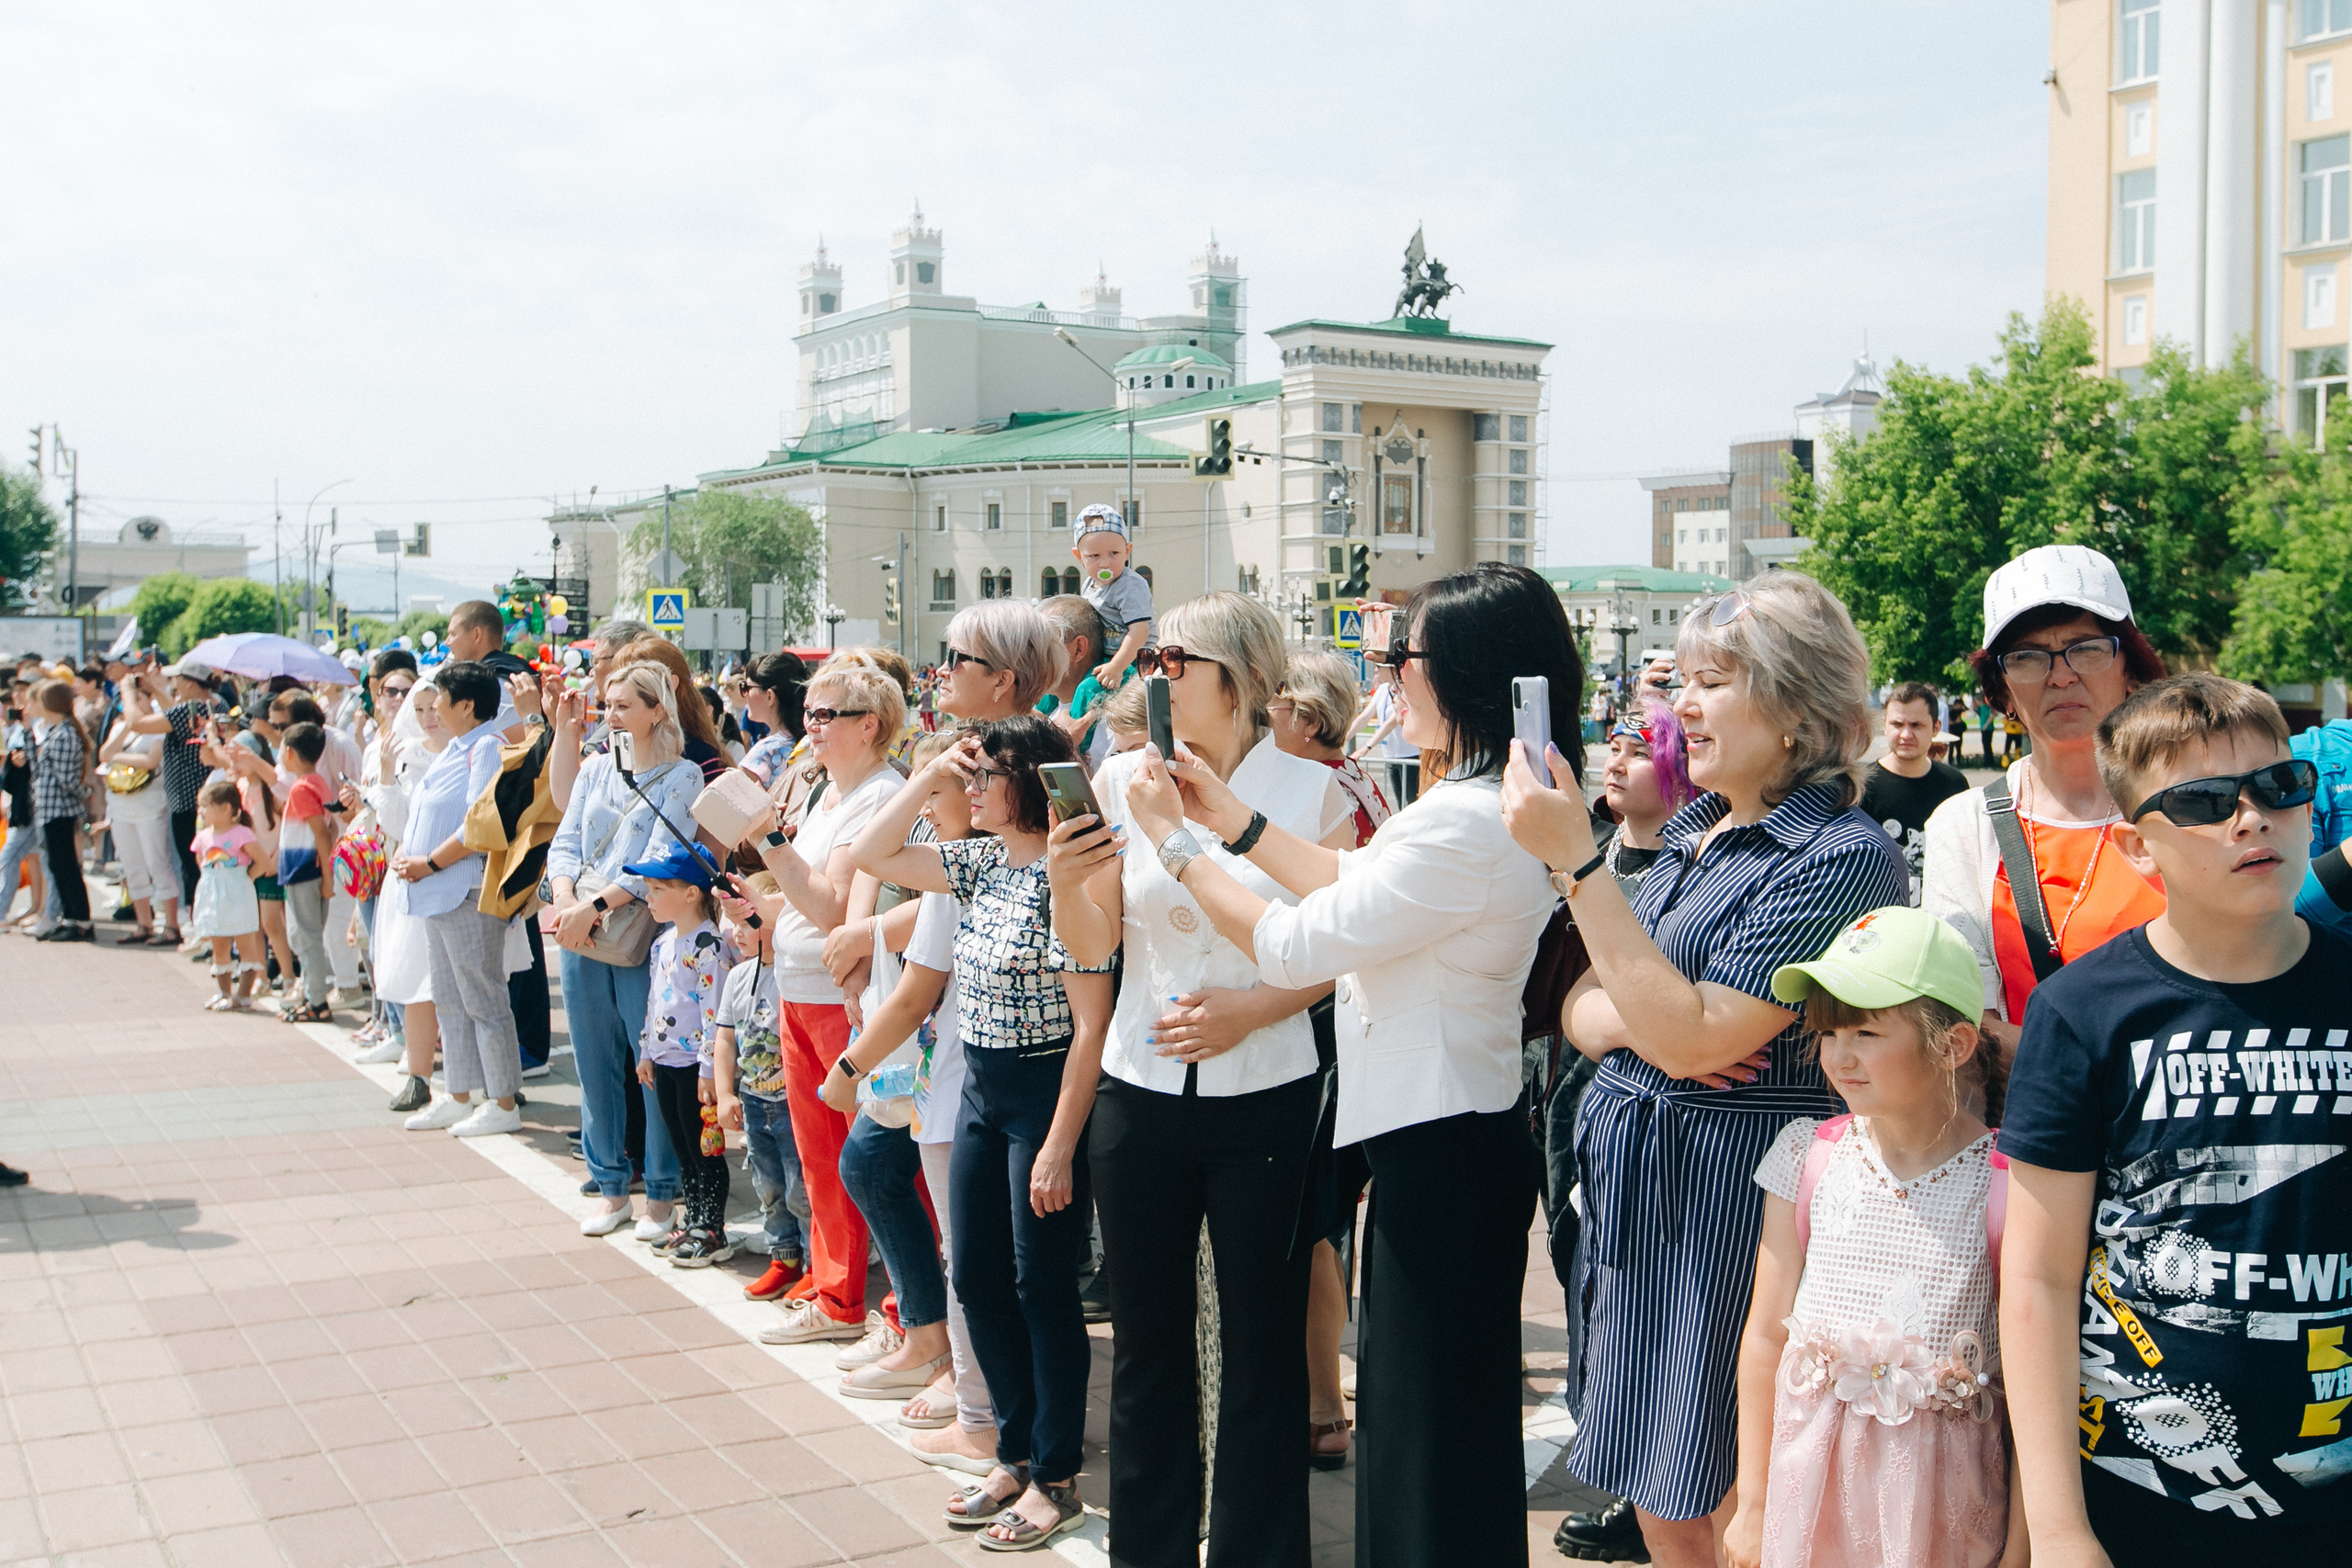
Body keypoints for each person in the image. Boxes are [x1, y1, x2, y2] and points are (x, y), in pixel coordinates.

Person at [1116, 564, 1577, 1566]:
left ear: (1464, 673)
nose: (1384, 684)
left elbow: (1295, 946)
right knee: (1429, 1436)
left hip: (1445, 1146)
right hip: (1445, 1139)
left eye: (1397, 660)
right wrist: (1224, 820)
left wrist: (1173, 842)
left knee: (1427, 1449)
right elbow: (1348, 879)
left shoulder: (1465, 818)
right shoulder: (1471, 800)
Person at [1499, 571, 1908, 1568]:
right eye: (1680, 681)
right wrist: (1651, 1023)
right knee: (1655, 1485)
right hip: (1648, 1187)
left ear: (1799, 701)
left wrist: (1582, 872)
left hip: (1739, 1197)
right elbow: (1581, 1005)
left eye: (1712, 682)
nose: (1678, 707)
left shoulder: (1836, 853)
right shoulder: (1695, 831)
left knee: (1734, 1492)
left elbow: (1688, 1037)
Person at [2001, 673, 2351, 1563]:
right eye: (2201, 801)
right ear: (2134, 844)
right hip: (2137, 1499)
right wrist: (2056, 1529)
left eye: (2278, 788)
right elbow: (2038, 1280)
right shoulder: (2081, 1010)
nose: (2249, 819)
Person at [1046, 593, 1351, 1558]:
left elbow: (1343, 946)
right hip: (1138, 1088)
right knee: (1146, 1345)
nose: (1154, 672)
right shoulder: (1121, 780)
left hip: (1266, 1085)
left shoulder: (1311, 795)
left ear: (1243, 676)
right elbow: (1095, 946)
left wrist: (1257, 1006)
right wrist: (1065, 882)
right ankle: (1150, 1548)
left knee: (1261, 1347)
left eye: (1175, 658)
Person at [847, 715, 1113, 1553]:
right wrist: (931, 778)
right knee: (979, 1281)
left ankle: (1057, 1475)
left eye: (984, 773)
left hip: (1044, 1090)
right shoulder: (980, 861)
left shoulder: (1074, 871)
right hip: (981, 1093)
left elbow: (1090, 1025)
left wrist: (1063, 1140)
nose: (970, 788)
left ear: (1029, 780)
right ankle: (1015, 1449)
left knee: (1043, 1286)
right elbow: (874, 857)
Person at [1724, 906, 2016, 1568]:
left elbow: (2031, 1380)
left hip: (1945, 1509)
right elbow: (1766, 1334)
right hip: (1811, 1500)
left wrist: (2025, 1544)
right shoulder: (1806, 1156)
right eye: (1828, 1033)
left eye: (1865, 1030)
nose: (1840, 1055)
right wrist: (1755, 1504)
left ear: (1954, 1044)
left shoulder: (2005, 1182)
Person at [1545, 696, 1697, 1563]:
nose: (1616, 760)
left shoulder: (1688, 869)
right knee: (1585, 1283)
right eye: (1616, 744)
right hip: (1576, 1103)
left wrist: (1633, 1021)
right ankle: (1631, 1488)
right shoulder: (1592, 861)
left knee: (1648, 1319)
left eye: (1641, 749)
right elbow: (1569, 998)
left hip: (1658, 1116)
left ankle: (1651, 1503)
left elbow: (1675, 1020)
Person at [1920, 545, 2167, 1067]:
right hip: (2036, 1132)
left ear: (2130, 666)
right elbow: (1967, 1020)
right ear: (2002, 690)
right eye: (2029, 657)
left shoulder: (2189, 806)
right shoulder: (1964, 827)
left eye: (2088, 648)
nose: (2060, 676)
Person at [741, 663, 910, 1342]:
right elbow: (804, 904)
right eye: (807, 713)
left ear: (869, 724)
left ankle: (901, 1307)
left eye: (824, 715)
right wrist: (755, 907)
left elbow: (834, 906)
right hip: (800, 985)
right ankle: (837, 1293)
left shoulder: (879, 795)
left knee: (872, 1157)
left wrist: (770, 841)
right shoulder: (832, 793)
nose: (808, 726)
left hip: (846, 998)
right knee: (819, 1155)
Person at [547, 660, 703, 1238]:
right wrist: (569, 902)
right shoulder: (594, 767)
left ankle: (661, 1194)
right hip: (579, 929)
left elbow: (661, 859)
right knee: (593, 1064)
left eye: (622, 705)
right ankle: (610, 1187)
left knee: (652, 1063)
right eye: (606, 704)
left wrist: (595, 907)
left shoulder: (684, 775)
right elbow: (565, 842)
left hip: (644, 933)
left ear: (656, 709)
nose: (609, 714)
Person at [388, 661, 525, 1138]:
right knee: (448, 998)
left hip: (462, 889)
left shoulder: (483, 746)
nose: (432, 708)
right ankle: (460, 1093)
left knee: (483, 998)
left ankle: (503, 1101)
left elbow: (479, 824)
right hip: (437, 892)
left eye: (440, 698)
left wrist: (429, 863)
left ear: (466, 706)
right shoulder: (456, 748)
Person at [630, 848, 735, 1265]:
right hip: (667, 1060)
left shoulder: (709, 945)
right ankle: (693, 1217)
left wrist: (711, 1069)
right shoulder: (663, 943)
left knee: (704, 1147)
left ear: (692, 893)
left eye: (658, 888)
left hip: (697, 1066)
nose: (648, 896)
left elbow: (715, 1011)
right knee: (682, 1145)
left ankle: (712, 1228)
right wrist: (646, 1050)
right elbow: (655, 1001)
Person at [710, 871, 808, 1295]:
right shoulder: (737, 977)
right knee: (766, 1184)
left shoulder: (793, 971)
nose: (735, 932)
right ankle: (783, 1254)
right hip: (754, 1099)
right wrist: (726, 1090)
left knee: (799, 1187)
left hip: (792, 1101)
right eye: (730, 921)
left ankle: (815, 1259)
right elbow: (725, 1038)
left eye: (746, 919)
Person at [128, 659, 225, 915]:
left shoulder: (189, 710)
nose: (174, 684)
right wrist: (153, 688)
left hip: (186, 801)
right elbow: (174, 713)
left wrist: (127, 692)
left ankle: (198, 922)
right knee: (208, 863)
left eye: (178, 680)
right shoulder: (216, 704)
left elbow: (137, 723)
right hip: (208, 797)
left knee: (191, 866)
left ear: (191, 683)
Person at [1860, 682, 1970, 904]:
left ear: (1936, 728)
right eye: (1897, 724)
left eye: (1916, 725)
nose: (1905, 734)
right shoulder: (1861, 786)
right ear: (1885, 725)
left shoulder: (1954, 784)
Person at [96, 680, 179, 945]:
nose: (133, 705)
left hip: (151, 806)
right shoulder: (121, 727)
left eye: (140, 699)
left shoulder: (157, 728)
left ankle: (172, 925)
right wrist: (125, 731)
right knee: (132, 867)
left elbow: (151, 761)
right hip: (121, 807)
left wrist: (118, 757)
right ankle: (143, 923)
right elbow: (103, 753)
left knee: (158, 864)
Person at [267, 722, 340, 1021]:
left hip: (303, 870)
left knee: (305, 938)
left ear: (289, 752)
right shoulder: (319, 782)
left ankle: (317, 1002)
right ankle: (314, 998)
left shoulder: (301, 788)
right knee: (308, 936)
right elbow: (331, 827)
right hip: (310, 869)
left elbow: (321, 833)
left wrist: (327, 878)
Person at [187, 779, 265, 1011]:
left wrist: (244, 879)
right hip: (213, 892)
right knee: (219, 944)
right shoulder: (203, 836)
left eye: (205, 806)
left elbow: (262, 861)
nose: (201, 811)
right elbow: (201, 861)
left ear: (226, 808)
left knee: (245, 944)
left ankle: (243, 994)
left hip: (237, 892)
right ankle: (223, 993)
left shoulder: (242, 833)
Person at [31, 680, 94, 943]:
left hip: (61, 810)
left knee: (66, 867)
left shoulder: (64, 735)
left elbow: (68, 780)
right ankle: (70, 918)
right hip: (51, 809)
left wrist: (84, 794)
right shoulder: (58, 731)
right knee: (59, 866)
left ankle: (80, 921)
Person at [1071, 502, 1154, 693]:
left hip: (1136, 659)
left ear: (1127, 551)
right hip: (1107, 656)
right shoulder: (1088, 585)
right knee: (1059, 686)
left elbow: (1140, 631)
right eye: (1094, 556)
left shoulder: (1129, 585)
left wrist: (1117, 667)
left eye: (1114, 553)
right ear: (1079, 556)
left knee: (1087, 690)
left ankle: (1075, 723)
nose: (1105, 563)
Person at [737, 650, 809, 788]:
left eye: (746, 687)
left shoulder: (765, 753)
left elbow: (729, 804)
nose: (744, 695)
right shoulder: (811, 743)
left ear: (769, 696)